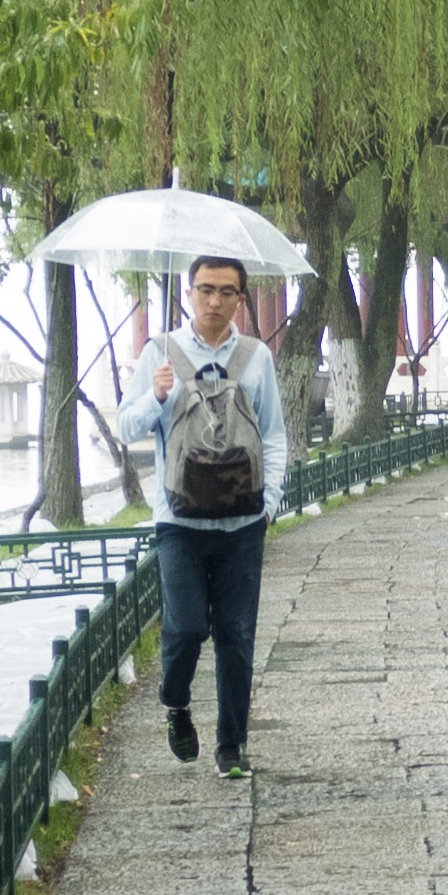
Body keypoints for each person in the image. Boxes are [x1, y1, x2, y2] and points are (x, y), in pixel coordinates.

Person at [121, 255, 290, 776]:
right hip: (179, 522)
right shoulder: (159, 352)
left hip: (242, 523)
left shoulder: (256, 357)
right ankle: (176, 704)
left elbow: (274, 435)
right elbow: (127, 428)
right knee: (186, 627)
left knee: (237, 636)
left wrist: (268, 504)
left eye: (226, 291)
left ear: (241, 298)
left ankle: (231, 745)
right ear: (189, 292)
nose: (215, 301)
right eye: (205, 289)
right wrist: (156, 396)